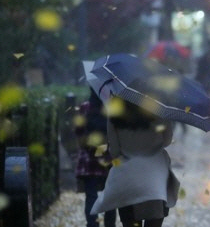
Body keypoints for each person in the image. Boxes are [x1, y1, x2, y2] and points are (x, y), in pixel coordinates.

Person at [91, 98, 180, 227]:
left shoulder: (115, 111)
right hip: (155, 177)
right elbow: (166, 141)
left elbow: (114, 151)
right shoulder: (159, 109)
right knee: (154, 220)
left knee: (130, 221)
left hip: (128, 177)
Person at [75, 88, 116, 227]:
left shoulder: (85, 107)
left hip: (89, 158)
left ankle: (92, 224)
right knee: (109, 197)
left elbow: (78, 131)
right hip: (109, 159)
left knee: (91, 196)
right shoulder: (112, 107)